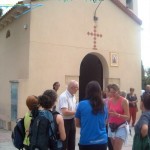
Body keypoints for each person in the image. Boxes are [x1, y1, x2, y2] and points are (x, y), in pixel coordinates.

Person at [75, 81, 108, 150]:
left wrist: (88, 125)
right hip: (102, 141)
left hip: (86, 141)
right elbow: (105, 122)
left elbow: (77, 124)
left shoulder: (81, 104)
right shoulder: (104, 105)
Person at [108, 84, 129, 150]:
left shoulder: (123, 101)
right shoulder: (110, 101)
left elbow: (127, 116)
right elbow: (109, 113)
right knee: (113, 148)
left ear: (118, 91)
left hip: (121, 126)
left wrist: (118, 115)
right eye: (111, 92)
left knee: (117, 148)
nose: (112, 94)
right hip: (111, 126)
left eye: (114, 92)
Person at [59, 80, 79, 150]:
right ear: (72, 87)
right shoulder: (64, 96)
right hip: (65, 121)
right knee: (64, 142)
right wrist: (77, 112)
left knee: (72, 142)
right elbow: (64, 112)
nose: (78, 89)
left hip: (71, 120)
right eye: (77, 88)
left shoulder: (73, 96)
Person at [104, 84, 113, 150]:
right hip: (106, 124)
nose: (106, 93)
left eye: (107, 91)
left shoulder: (114, 101)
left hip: (112, 124)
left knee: (111, 144)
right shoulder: (105, 100)